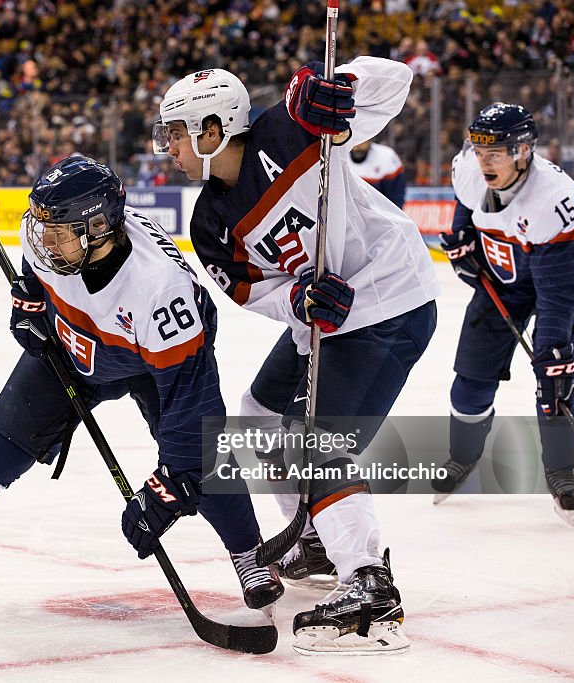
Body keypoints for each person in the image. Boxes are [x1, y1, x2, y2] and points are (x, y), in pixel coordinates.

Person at [0, 156, 283, 624]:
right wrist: (27, 307)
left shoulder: (160, 291)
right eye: (42, 228)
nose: (43, 241)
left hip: (156, 362)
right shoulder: (55, 240)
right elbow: (35, 280)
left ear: (98, 227)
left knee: (204, 457)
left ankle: (249, 555)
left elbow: (190, 406)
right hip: (72, 349)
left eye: (59, 232)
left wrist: (171, 487)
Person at [153, 61, 439, 654]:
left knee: (317, 445)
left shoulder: (291, 130)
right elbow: (249, 290)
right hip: (327, 322)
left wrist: (339, 86)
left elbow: (394, 84)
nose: (169, 146)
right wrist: (296, 299)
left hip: (388, 298)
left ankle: (369, 585)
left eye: (177, 132)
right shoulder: (210, 222)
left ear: (212, 130)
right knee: (257, 409)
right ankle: (314, 537)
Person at [435, 103, 574, 526]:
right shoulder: (471, 167)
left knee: (557, 370)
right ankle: (463, 457)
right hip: (507, 273)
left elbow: (558, 290)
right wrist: (463, 235)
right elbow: (466, 201)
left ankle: (561, 471)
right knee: (471, 377)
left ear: (524, 150)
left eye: (496, 152)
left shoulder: (553, 198)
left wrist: (551, 345)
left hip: (568, 268)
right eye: (479, 151)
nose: (484, 160)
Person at [347, 138, 407, 208]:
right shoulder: (336, 155)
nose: (358, 146)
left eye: (362, 141)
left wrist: (392, 217)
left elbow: (396, 197)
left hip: (377, 213)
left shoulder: (386, 156)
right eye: (355, 141)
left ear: (370, 140)